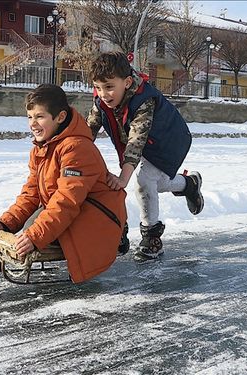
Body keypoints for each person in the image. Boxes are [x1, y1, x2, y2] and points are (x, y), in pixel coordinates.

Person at [0, 84, 127, 283]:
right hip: (72, 211)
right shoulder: (42, 148)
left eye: (40, 117)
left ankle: (115, 238)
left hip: (98, 219)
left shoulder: (77, 148)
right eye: (30, 117)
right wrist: (5, 223)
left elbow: (66, 201)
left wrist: (34, 237)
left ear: (60, 117)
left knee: (33, 232)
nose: (33, 124)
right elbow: (31, 193)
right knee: (28, 229)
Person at [86, 51, 204, 262]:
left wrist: (123, 178)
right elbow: (88, 132)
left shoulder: (144, 100)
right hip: (148, 143)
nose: (103, 94)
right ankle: (189, 184)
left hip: (169, 141)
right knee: (157, 183)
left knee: (144, 179)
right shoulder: (101, 101)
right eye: (98, 87)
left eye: (109, 87)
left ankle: (152, 238)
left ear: (127, 82)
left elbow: (136, 142)